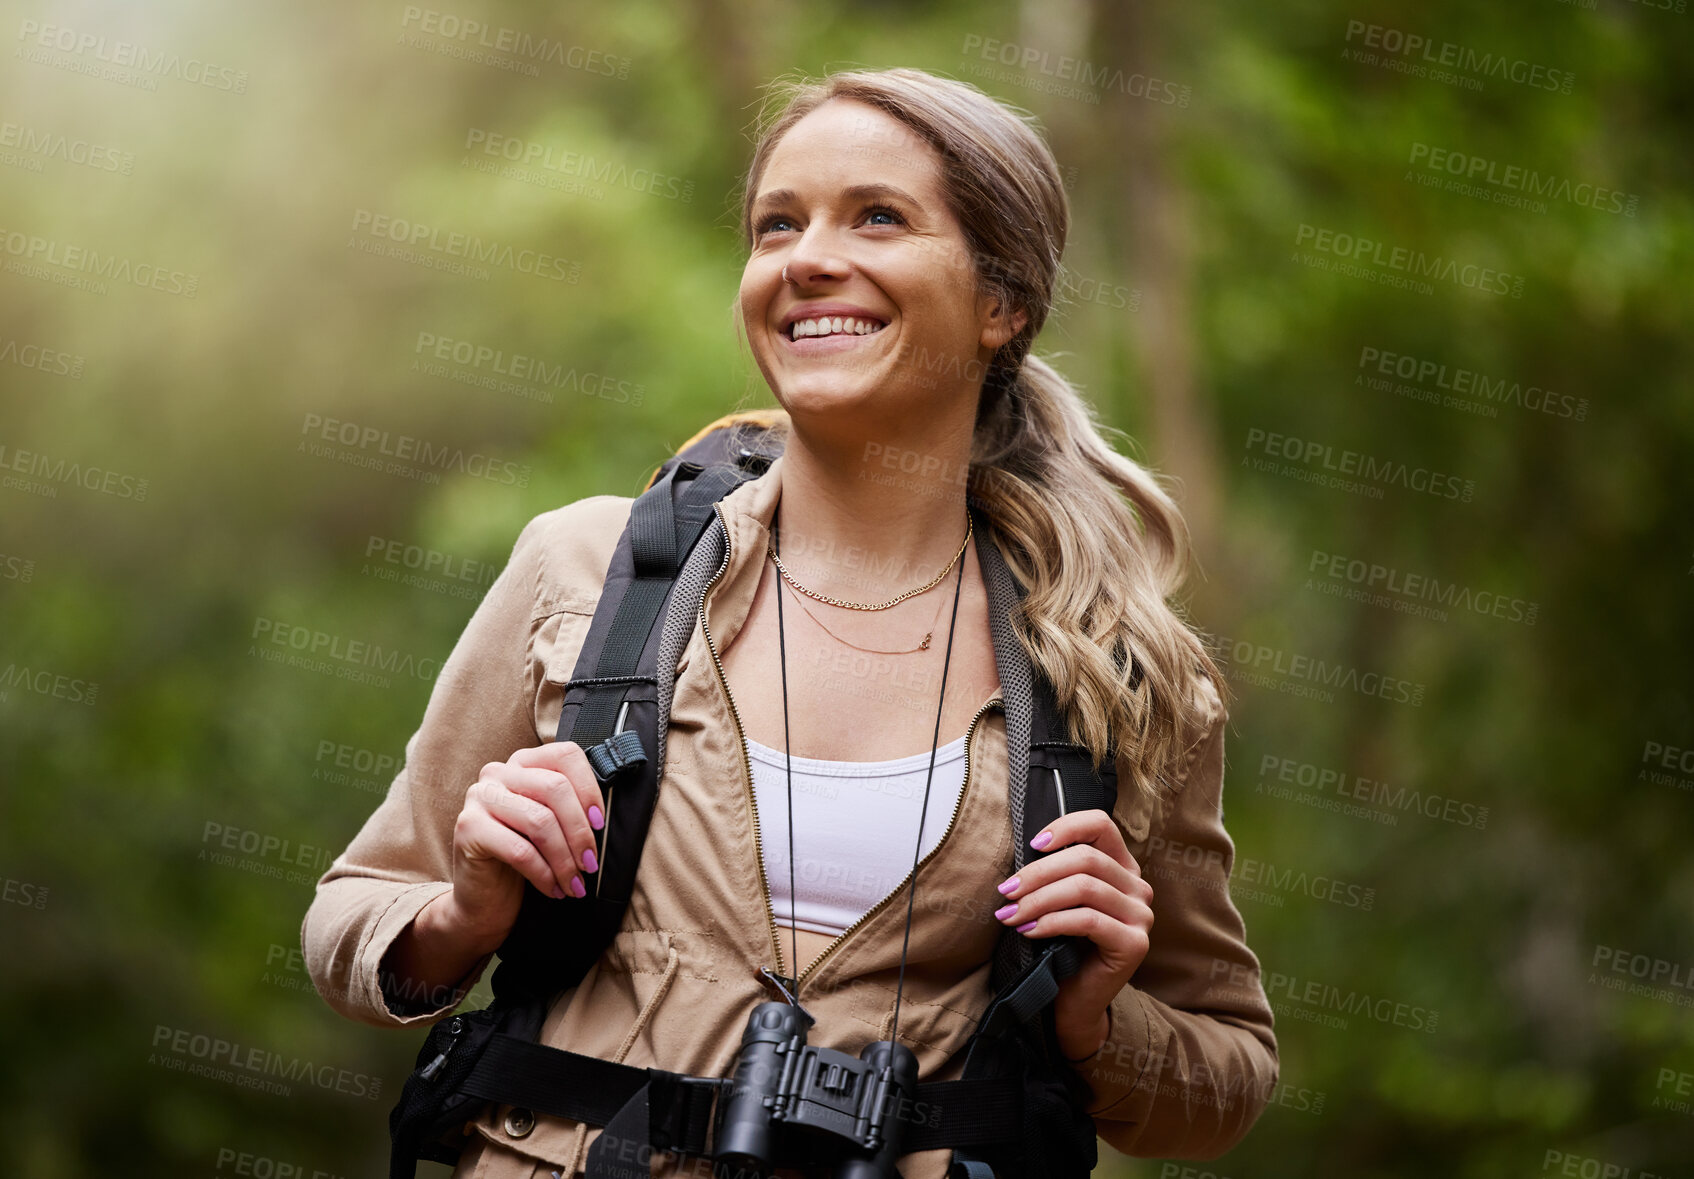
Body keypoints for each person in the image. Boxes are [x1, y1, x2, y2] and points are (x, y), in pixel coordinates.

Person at [302, 66, 1277, 1179]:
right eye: (777, 225)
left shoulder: (1114, 670)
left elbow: (1226, 1076)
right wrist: (463, 915)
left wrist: (1093, 1017)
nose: (807, 258)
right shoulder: (588, 573)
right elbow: (350, 921)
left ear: (1000, 304)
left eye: (876, 216)